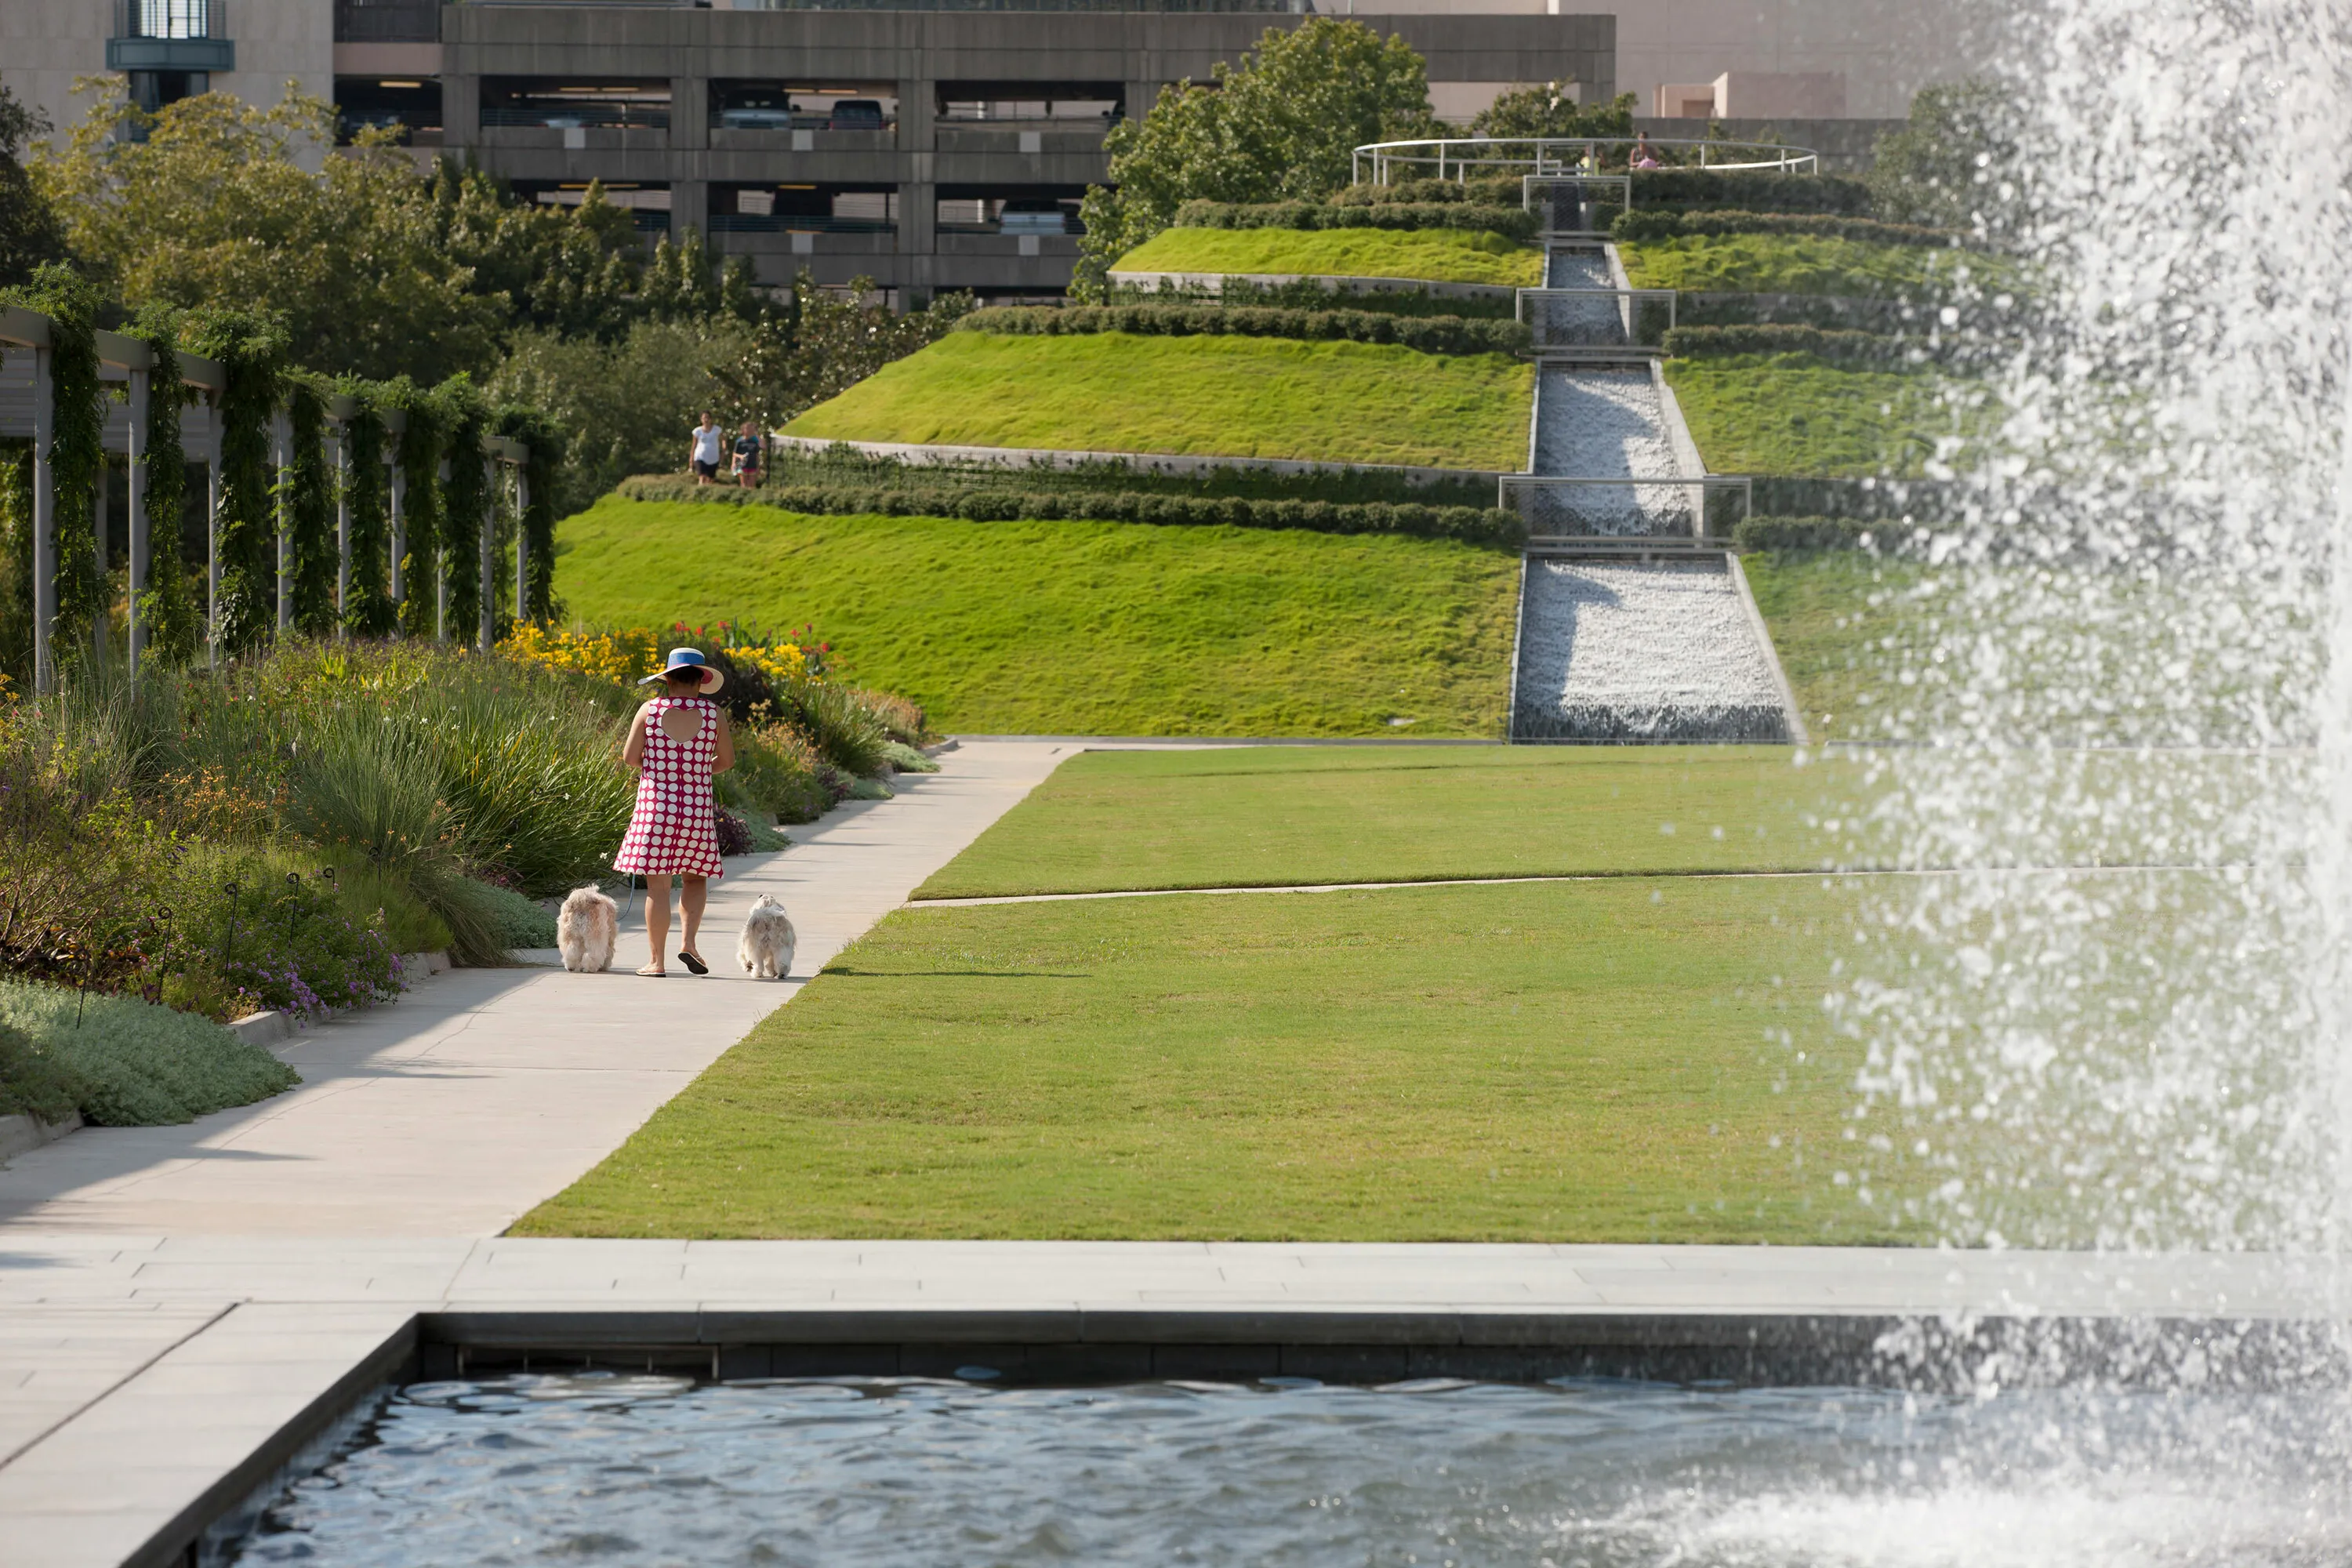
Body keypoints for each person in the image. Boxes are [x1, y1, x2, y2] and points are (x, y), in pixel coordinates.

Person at [613, 648, 735, 977]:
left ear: (667, 680)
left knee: (658, 889)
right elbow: (726, 762)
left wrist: (657, 768)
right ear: (700, 681)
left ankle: (657, 962)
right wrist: (696, 769)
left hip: (657, 810)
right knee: (695, 879)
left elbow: (629, 757)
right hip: (695, 810)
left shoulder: (649, 710)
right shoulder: (714, 715)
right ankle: (689, 944)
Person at [688, 413, 724, 485]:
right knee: (702, 476)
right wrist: (691, 458)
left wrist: (724, 449)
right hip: (700, 456)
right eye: (704, 418)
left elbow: (723, 440)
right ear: (701, 420)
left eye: (707, 418)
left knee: (710, 479)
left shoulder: (717, 430)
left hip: (713, 457)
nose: (706, 420)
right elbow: (694, 445)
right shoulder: (697, 431)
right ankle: (700, 491)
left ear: (711, 419)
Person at [731, 420, 764, 488]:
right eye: (747, 428)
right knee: (744, 485)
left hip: (753, 465)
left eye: (750, 428)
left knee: (752, 486)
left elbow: (757, 455)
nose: (749, 430)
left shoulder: (754, 441)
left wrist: (758, 467)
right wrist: (739, 458)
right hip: (742, 466)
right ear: (743, 430)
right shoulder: (739, 442)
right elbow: (734, 454)